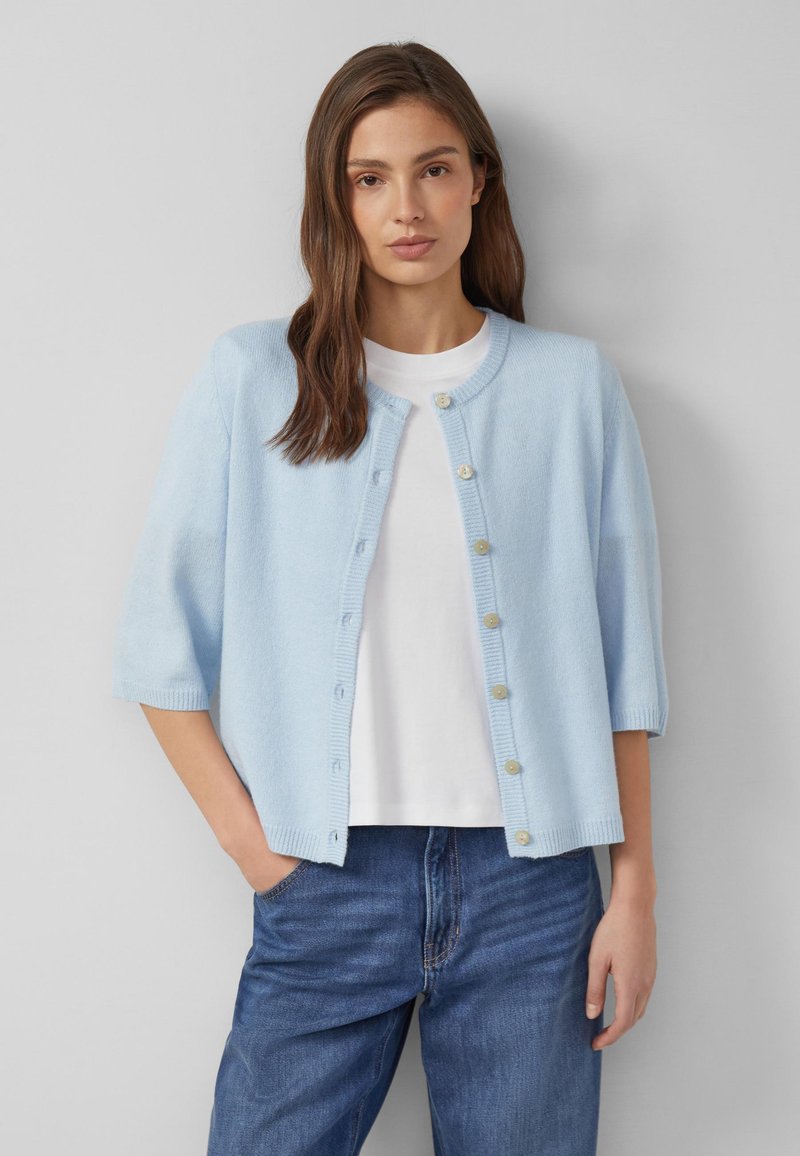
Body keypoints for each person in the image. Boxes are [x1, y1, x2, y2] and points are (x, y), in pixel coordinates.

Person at [111, 39, 669, 1156]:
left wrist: (632, 890)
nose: (405, 207)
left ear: (479, 182)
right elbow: (157, 653)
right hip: (325, 883)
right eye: (369, 178)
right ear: (336, 198)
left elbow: (626, 666)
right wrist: (259, 858)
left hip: (533, 896)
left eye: (434, 170)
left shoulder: (570, 388)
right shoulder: (255, 377)